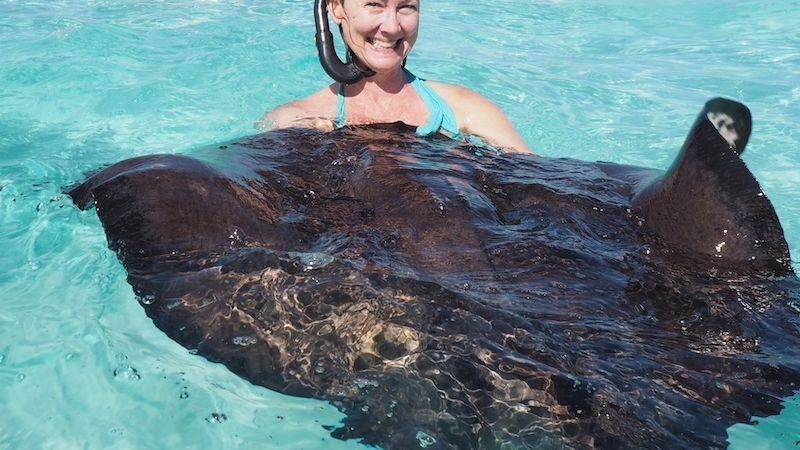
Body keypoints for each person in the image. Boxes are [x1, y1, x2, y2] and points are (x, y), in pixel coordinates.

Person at [261, 0, 532, 154]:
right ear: (336, 9)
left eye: (406, 7)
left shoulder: (467, 110)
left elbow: (537, 184)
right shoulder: (295, 120)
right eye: (374, 5)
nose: (391, 27)